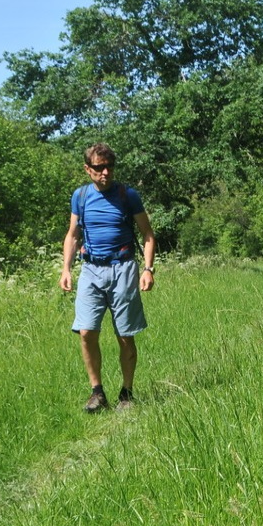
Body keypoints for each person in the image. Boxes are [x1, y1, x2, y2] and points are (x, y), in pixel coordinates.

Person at [60, 143, 156, 412]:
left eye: (110, 167)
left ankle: (126, 393)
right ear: (87, 168)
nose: (106, 172)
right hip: (90, 269)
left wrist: (148, 269)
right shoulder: (80, 196)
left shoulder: (128, 195)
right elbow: (73, 235)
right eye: (99, 167)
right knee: (86, 332)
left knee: (124, 335)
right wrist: (66, 269)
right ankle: (97, 393)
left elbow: (147, 234)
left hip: (122, 268)